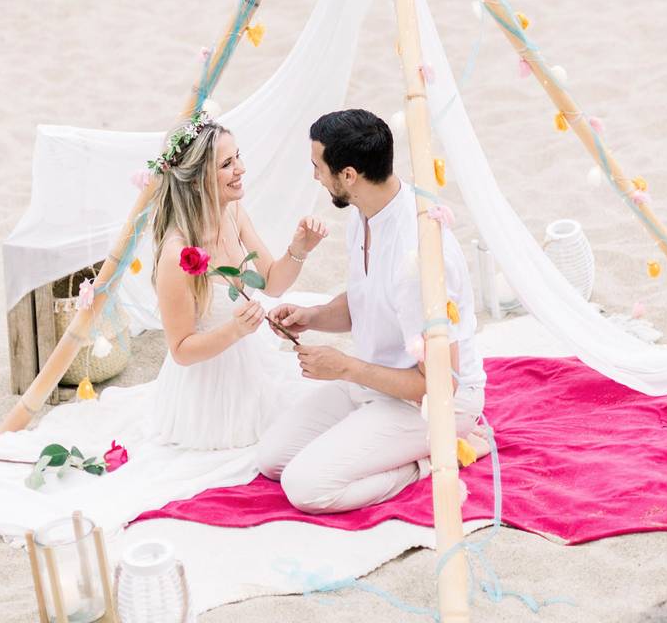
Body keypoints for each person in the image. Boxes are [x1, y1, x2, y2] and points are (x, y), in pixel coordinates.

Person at [257, 109, 487, 514]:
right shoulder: (364, 212)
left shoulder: (419, 257)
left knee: (306, 487)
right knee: (273, 459)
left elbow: (438, 385)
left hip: (431, 403)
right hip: (374, 380)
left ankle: (429, 459)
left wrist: (344, 367)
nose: (315, 176)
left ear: (348, 175)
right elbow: (367, 297)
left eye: (317, 166)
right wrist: (311, 316)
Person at [150, 112, 328, 450]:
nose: (241, 169)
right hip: (209, 388)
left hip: (250, 359)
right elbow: (181, 351)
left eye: (238, 157)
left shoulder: (232, 212)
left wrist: (299, 249)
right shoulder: (177, 255)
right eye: (227, 164)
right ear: (200, 178)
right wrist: (235, 330)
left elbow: (272, 283)